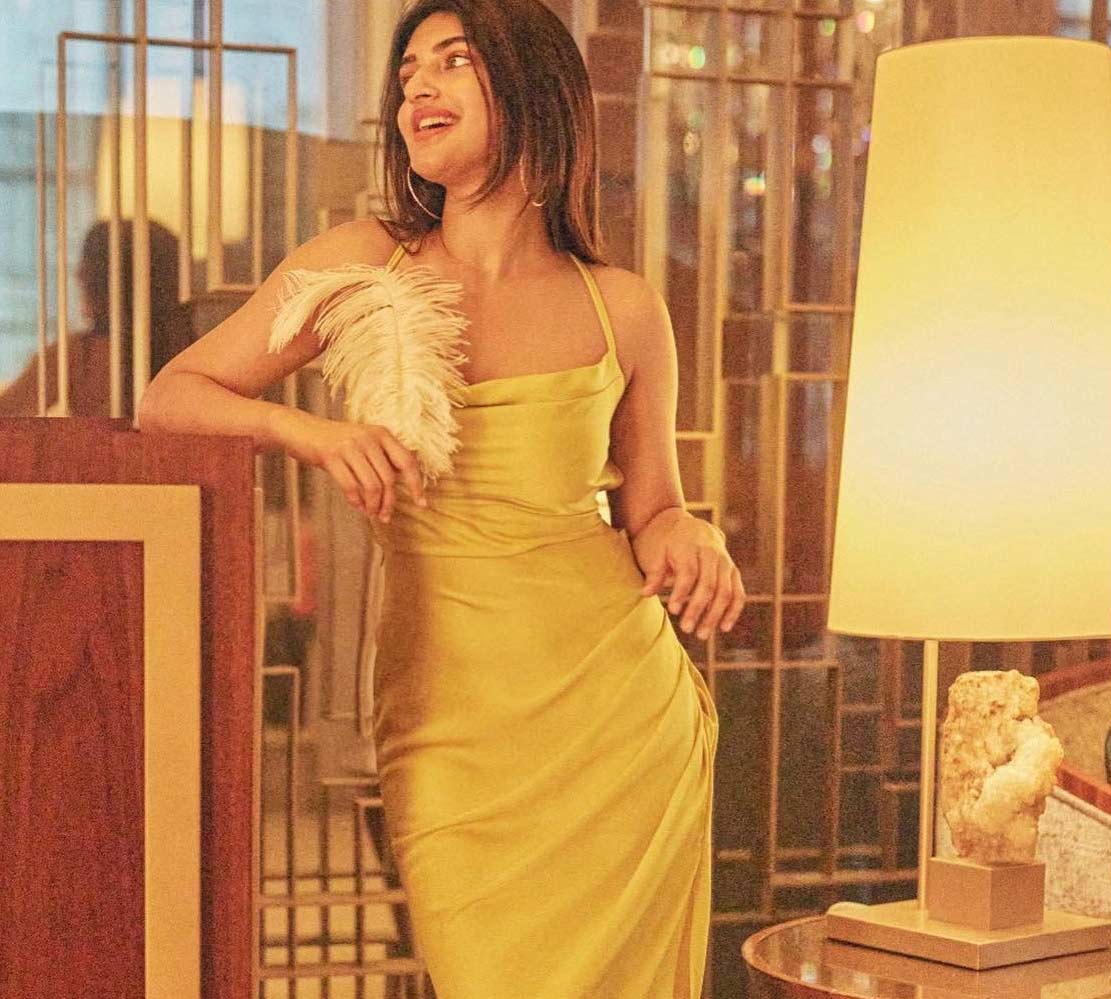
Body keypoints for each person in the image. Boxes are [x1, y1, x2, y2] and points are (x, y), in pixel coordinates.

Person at [138, 1, 745, 994]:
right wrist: (310, 434)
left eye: (453, 62)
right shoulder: (360, 264)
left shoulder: (623, 306)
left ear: (533, 87)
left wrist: (693, 536)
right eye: (408, 70)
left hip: (619, 718)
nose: (417, 85)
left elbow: (653, 511)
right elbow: (170, 399)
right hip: (447, 711)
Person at [0, 218, 191, 417]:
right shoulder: (195, 352)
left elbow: (6, 416)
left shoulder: (75, 355)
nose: (78, 275)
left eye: (88, 268)